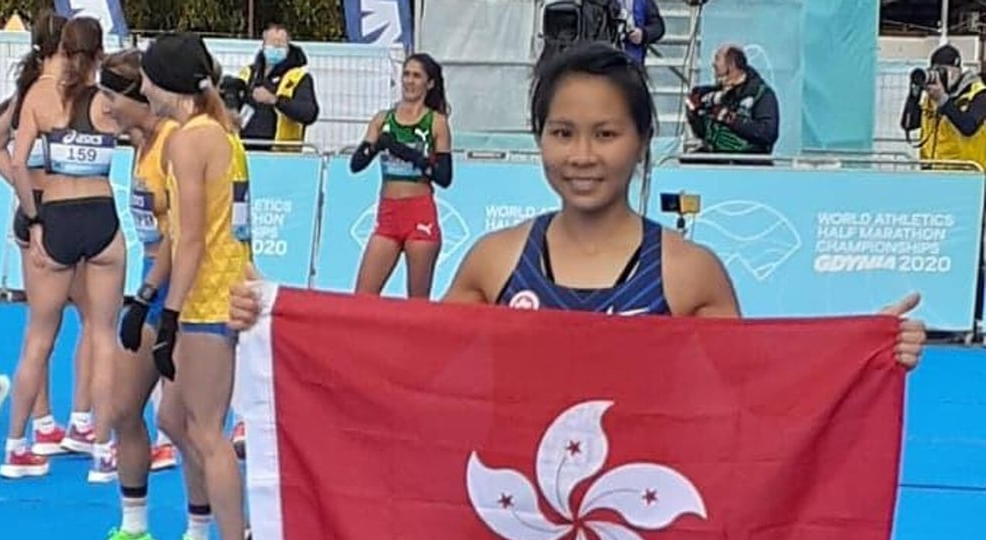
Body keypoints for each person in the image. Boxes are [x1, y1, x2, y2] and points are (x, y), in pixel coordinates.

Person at [230, 43, 926, 370]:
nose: (583, 155)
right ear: (540, 139)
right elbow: (412, 365)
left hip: (645, 525)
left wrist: (863, 356)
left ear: (641, 141)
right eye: (563, 133)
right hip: (515, 520)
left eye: (606, 133)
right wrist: (281, 319)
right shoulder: (497, 262)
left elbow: (752, 396)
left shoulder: (689, 274)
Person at [81, 48, 213, 540]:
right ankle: (135, 530)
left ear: (142, 98)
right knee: (120, 408)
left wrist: (158, 300)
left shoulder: (173, 149)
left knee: (179, 421)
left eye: (112, 97)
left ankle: (201, 536)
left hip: (183, 290)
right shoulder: (139, 146)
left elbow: (187, 238)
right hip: (152, 288)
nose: (106, 109)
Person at [140, 32, 255, 540]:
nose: (141, 87)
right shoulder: (223, 131)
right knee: (173, 420)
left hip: (208, 299)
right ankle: (231, 533)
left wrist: (169, 315)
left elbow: (189, 242)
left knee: (209, 433)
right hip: (220, 289)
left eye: (146, 76)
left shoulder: (188, 141)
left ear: (164, 83)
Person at [1, 16, 125, 480]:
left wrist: (32, 219)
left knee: (38, 336)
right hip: (101, 215)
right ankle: (101, 448)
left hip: (54, 218)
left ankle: (17, 447)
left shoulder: (37, 95)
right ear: (97, 55)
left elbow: (16, 163)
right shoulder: (107, 102)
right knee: (101, 332)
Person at [349, 53, 453, 298]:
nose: (409, 81)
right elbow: (356, 164)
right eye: (406, 74)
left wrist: (405, 152)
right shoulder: (382, 119)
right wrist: (375, 146)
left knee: (417, 302)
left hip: (419, 213)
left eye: (417, 76)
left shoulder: (436, 122)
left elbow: (445, 176)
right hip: (388, 214)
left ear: (429, 83)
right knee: (362, 297)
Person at [686, 44, 780, 160]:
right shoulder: (715, 94)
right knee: (686, 162)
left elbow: (768, 133)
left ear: (731, 64)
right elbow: (704, 134)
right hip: (715, 160)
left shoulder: (761, 94)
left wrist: (731, 119)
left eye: (717, 58)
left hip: (747, 164)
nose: (713, 64)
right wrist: (694, 113)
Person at [236, 23, 319, 151]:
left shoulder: (299, 77)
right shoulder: (248, 73)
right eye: (272, 44)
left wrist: (275, 100)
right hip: (245, 149)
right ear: (263, 45)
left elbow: (309, 113)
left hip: (281, 155)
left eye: (280, 45)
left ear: (288, 47)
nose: (275, 48)